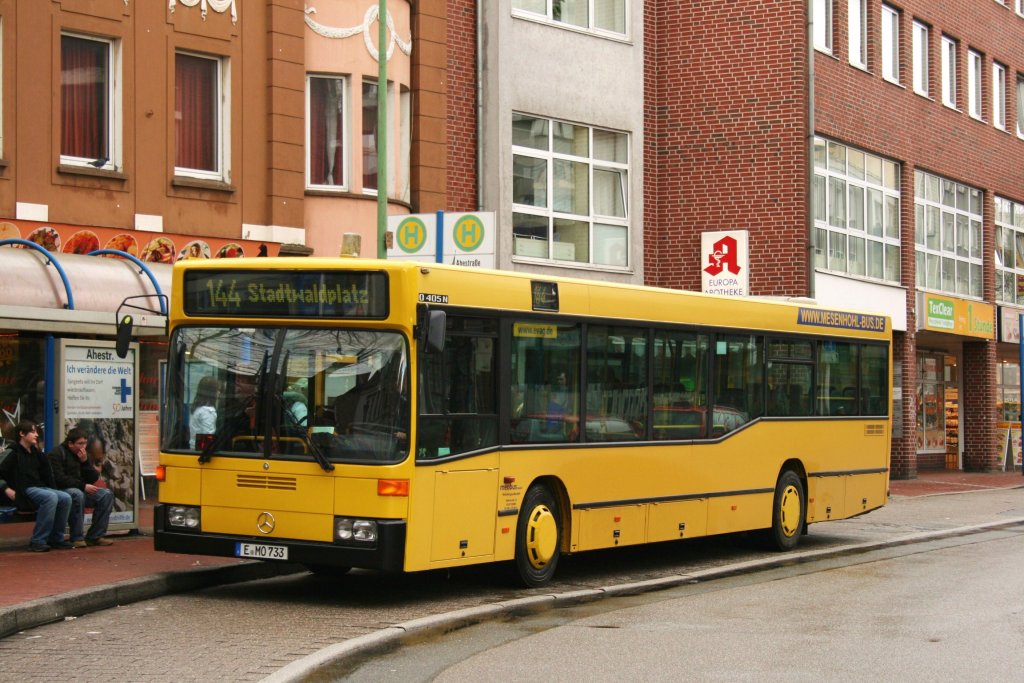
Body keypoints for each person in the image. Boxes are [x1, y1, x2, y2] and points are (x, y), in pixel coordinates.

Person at [0, 420, 73, 552]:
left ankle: (56, 538)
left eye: (36, 432)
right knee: (50, 497)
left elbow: (47, 475)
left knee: (65, 497)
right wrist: (6, 489)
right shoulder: (12, 452)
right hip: (23, 490)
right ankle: (38, 540)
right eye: (33, 432)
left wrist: (52, 487)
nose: (36, 435)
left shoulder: (37, 453)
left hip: (39, 487)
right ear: (22, 434)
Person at [47, 428, 114, 547]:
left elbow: (93, 477)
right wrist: (82, 486)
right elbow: (59, 479)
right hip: (64, 490)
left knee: (106, 494)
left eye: (85, 443)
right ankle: (77, 537)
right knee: (77, 494)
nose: (83, 446)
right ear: (70, 443)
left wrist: (84, 462)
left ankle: (96, 535)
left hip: (81, 488)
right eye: (80, 443)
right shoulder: (57, 453)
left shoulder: (83, 455)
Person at [190, 375, 220, 448]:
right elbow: (209, 436)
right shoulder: (208, 411)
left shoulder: (198, 408)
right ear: (212, 392)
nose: (219, 393)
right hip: (202, 451)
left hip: (194, 448)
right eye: (217, 390)